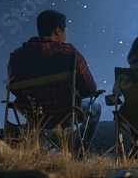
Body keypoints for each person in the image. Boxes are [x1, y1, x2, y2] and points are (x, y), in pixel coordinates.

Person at [10, 10, 101, 151]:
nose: (66, 34)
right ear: (58, 31)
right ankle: (79, 154)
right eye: (65, 30)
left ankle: (42, 150)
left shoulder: (17, 55)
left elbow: (13, 87)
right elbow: (89, 89)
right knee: (95, 108)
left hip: (33, 113)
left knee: (41, 120)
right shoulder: (69, 53)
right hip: (66, 112)